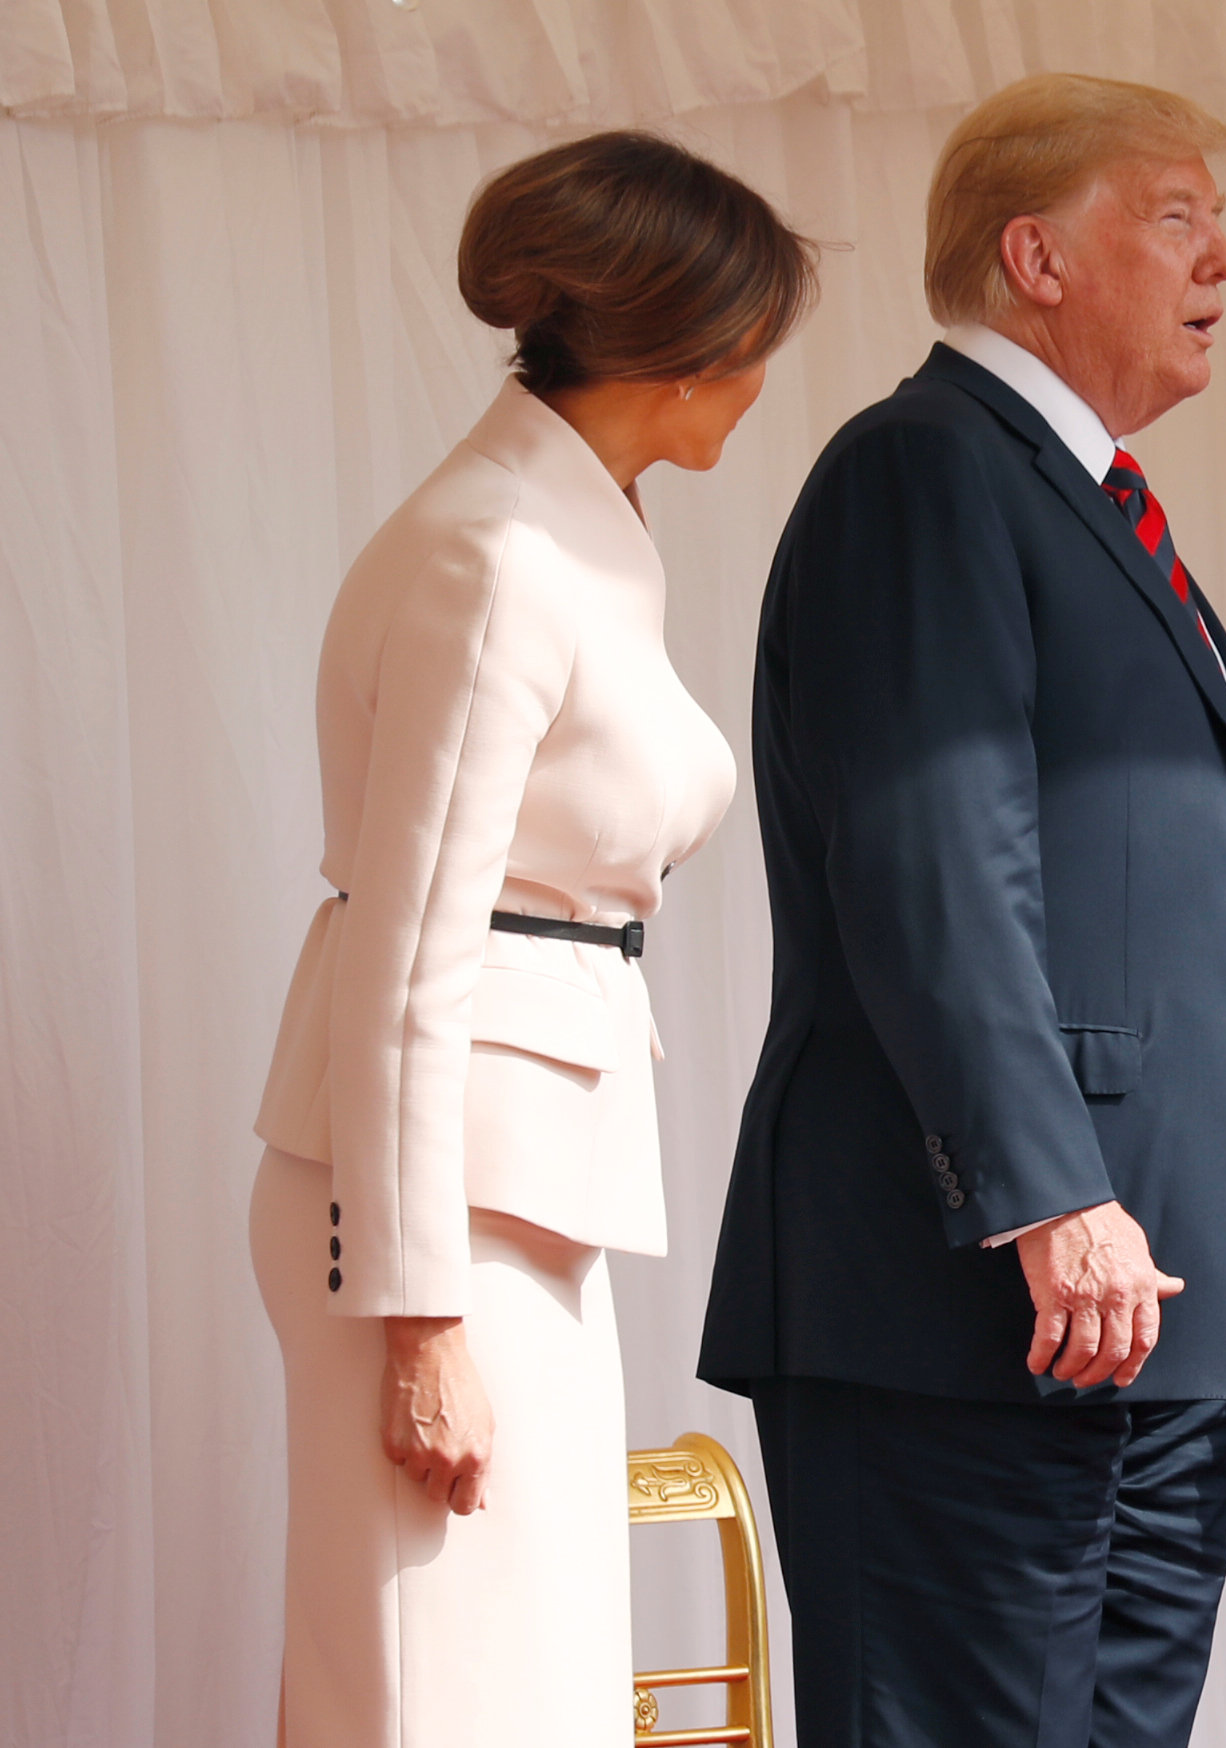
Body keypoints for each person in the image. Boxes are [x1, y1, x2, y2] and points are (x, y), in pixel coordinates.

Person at [697, 72, 1226, 1748]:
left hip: (1162, 1320)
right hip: (991, 1304)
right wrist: (1047, 1196)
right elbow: (932, 861)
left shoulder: (1085, 501)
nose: (1223, 253)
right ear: (1037, 256)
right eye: (1176, 213)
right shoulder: (922, 469)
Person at [247, 133, 816, 1747]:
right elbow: (409, 946)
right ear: (692, 352)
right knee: (445, 1697)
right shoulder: (498, 555)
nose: (768, 375)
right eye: (760, 339)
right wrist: (417, 1319)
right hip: (433, 1215)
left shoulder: (575, 535)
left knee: (497, 1687)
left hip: (505, 1186)